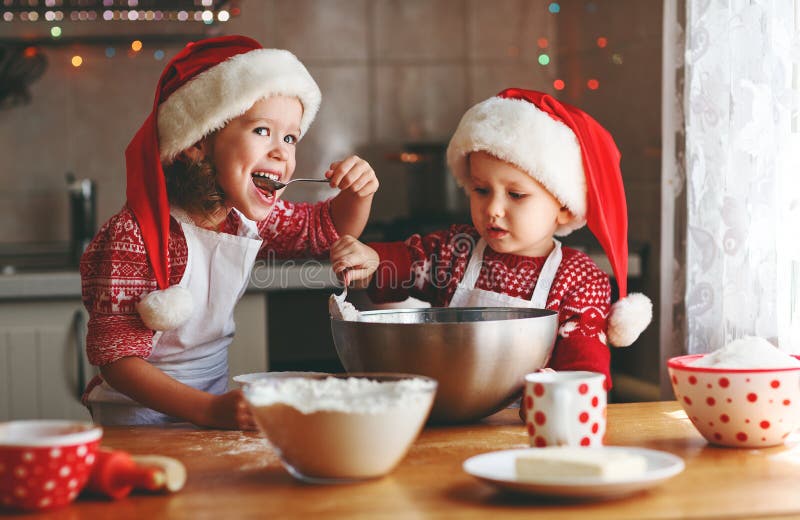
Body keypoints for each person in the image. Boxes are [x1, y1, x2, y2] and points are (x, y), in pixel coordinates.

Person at [80, 35, 379, 428]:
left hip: (210, 415)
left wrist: (359, 193)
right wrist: (207, 410)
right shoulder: (133, 235)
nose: (282, 152)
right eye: (261, 131)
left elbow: (325, 230)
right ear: (198, 143)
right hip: (136, 423)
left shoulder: (244, 218)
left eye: (290, 137)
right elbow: (117, 360)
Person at [330, 88, 652, 388]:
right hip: (450, 417)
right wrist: (373, 260)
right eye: (481, 190)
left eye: (516, 194)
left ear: (564, 209)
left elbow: (585, 375)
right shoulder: (458, 250)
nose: (493, 209)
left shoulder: (579, 282)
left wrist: (558, 395)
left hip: (528, 433)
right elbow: (410, 261)